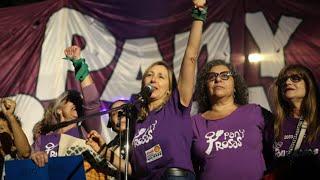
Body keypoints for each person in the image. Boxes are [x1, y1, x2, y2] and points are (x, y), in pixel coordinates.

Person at [86, 0, 206, 179]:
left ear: (169, 89)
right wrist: (104, 151)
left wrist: (198, 14)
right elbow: (132, 169)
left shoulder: (175, 105)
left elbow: (190, 56)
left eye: (161, 76)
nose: (153, 79)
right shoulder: (139, 121)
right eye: (149, 75)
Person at [191, 59, 273, 179]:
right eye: (211, 77)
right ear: (205, 88)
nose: (218, 79)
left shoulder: (255, 112)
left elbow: (280, 147)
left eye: (225, 76)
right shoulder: (194, 123)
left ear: (235, 85)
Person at [30, 46, 103, 179]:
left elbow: (91, 100)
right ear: (58, 109)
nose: (77, 103)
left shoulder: (87, 131)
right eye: (71, 100)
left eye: (79, 101)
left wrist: (78, 62)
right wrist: (33, 156)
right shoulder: (42, 139)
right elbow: (26, 164)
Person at [269, 64, 320, 179]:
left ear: (309, 84)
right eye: (283, 80)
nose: (287, 82)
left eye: (295, 78)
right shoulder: (274, 124)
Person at [0, 98, 31, 178]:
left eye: (1, 128)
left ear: (13, 135)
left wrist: (10, 116)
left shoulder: (13, 156)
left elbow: (25, 153)